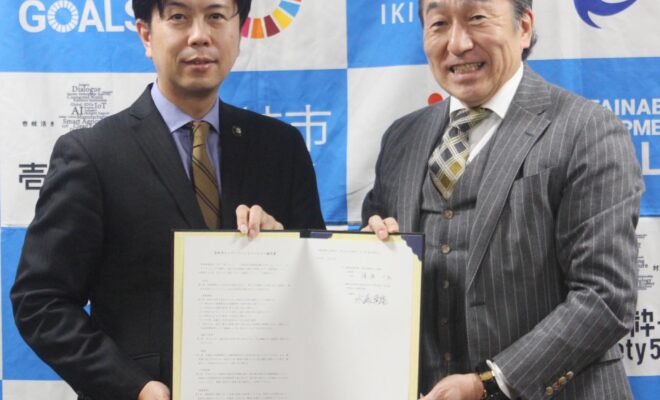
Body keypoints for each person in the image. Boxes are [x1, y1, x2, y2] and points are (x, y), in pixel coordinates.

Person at [10, 0, 325, 399]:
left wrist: (286, 247)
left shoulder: (281, 147)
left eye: (216, 16)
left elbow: (318, 289)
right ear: (146, 34)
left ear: (239, 31)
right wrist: (132, 386)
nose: (200, 35)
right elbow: (40, 301)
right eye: (178, 17)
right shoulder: (92, 153)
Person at [362, 0, 643, 399]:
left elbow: (605, 295)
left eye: (476, 18)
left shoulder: (588, 130)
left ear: (523, 27)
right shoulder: (400, 138)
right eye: (439, 23)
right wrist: (369, 256)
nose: (457, 44)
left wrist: (490, 382)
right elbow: (374, 271)